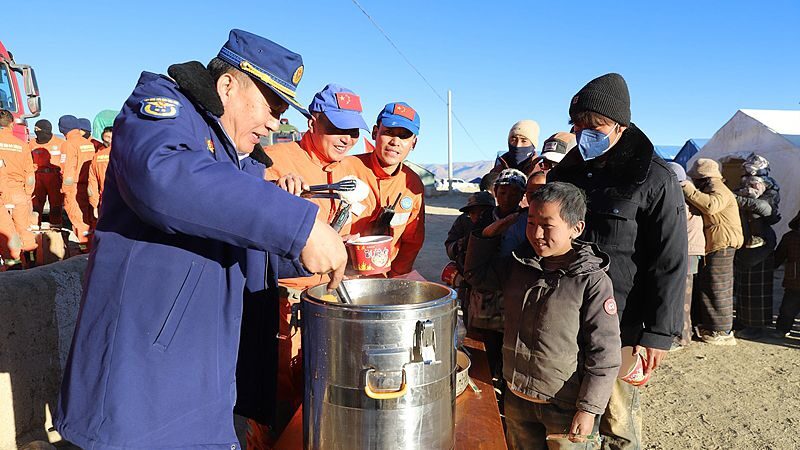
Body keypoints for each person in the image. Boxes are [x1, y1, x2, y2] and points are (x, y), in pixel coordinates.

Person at [54, 29, 347, 450]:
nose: (275, 123)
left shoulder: (242, 161)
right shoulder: (163, 109)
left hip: (205, 387)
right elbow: (163, 176)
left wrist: (306, 249)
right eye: (272, 106)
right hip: (141, 393)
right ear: (227, 85)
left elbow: (241, 255)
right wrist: (296, 225)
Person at [548, 73, 687, 450]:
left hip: (622, 322)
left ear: (621, 126)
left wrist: (657, 334)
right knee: (568, 418)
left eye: (594, 127)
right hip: (566, 314)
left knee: (617, 421)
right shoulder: (568, 171)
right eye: (577, 126)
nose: (583, 135)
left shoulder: (654, 178)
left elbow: (669, 260)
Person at [244, 83, 368, 446]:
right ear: (313, 122)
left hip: (332, 302)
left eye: (353, 130)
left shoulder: (354, 171)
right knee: (278, 399)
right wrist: (274, 192)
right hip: (284, 304)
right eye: (336, 127)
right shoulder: (275, 160)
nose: (346, 138)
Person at [465, 182, 621, 449]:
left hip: (564, 405)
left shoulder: (590, 281)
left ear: (576, 228)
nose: (537, 234)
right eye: (531, 223)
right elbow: (476, 276)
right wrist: (487, 235)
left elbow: (604, 352)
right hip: (517, 399)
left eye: (547, 225)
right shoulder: (519, 265)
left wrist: (589, 409)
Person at [343, 101, 425, 277]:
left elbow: (412, 242)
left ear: (413, 143)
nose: (395, 142)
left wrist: (395, 280)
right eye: (388, 132)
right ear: (375, 132)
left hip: (384, 277)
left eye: (404, 136)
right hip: (341, 275)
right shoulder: (345, 169)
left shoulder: (412, 185)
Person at [681, 158, 743, 345]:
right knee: (712, 285)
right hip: (720, 243)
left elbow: (711, 206)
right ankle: (715, 328)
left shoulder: (717, 188)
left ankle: (720, 331)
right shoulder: (714, 187)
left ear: (703, 178)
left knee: (717, 286)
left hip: (722, 243)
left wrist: (687, 189)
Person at [667, 162, 706, 350]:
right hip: (692, 251)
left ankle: (682, 337)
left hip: (686, 251)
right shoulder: (693, 196)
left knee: (682, 297)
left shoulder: (679, 199)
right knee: (686, 295)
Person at [0, 109, 36, 263]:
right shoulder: (22, 145)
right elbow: (30, 175)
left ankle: (13, 264)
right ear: (12, 124)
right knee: (24, 229)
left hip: (2, 193)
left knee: (7, 232)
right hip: (19, 192)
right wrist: (28, 194)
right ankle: (31, 260)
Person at [58, 114, 95, 244]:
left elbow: (68, 169)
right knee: (89, 217)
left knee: (78, 218)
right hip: (89, 185)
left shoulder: (68, 144)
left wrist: (65, 190)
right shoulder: (88, 143)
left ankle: (85, 247)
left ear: (62, 128)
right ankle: (92, 245)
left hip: (75, 187)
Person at [30, 119, 65, 226]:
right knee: (35, 205)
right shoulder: (31, 143)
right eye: (35, 130)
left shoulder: (61, 143)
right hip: (37, 177)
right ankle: (35, 228)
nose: (37, 133)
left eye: (39, 130)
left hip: (55, 177)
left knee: (56, 205)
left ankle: (55, 228)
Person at [775, 210, 800, 338]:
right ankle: (782, 329)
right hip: (794, 282)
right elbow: (778, 256)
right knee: (787, 309)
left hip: (793, 280)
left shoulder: (789, 237)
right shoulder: (790, 238)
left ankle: (782, 329)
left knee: (788, 309)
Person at [87, 127, 113, 221]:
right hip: (125, 201)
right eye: (107, 138)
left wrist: (94, 205)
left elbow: (92, 184)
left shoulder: (98, 156)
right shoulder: (127, 153)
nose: (109, 141)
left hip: (105, 200)